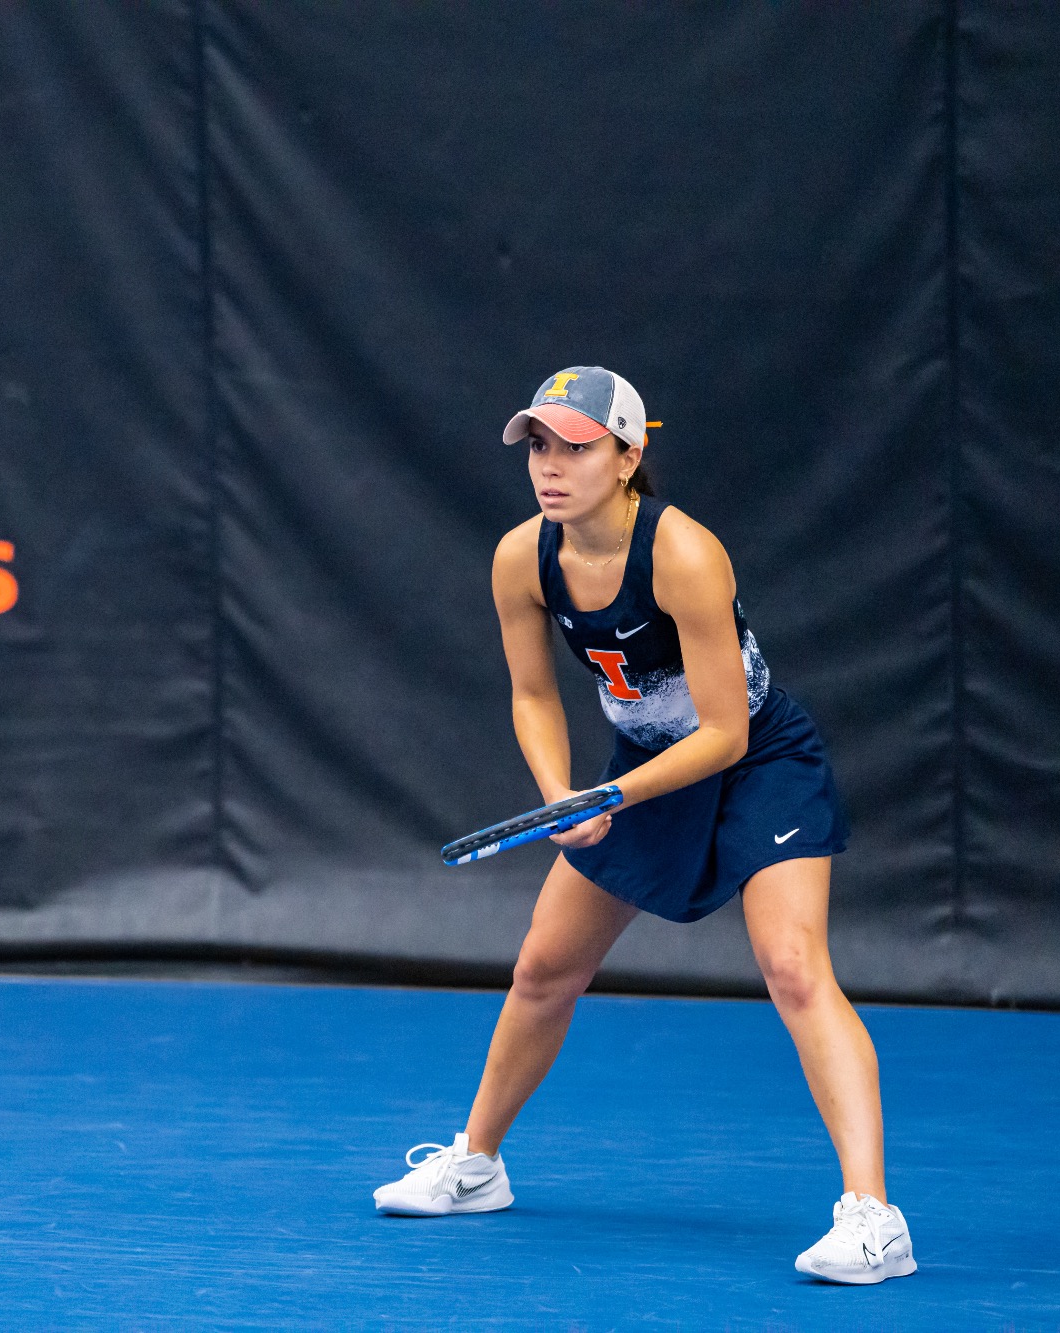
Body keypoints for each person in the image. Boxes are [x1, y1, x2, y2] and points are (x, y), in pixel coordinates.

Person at [371, 367, 915, 1285]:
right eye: (538, 445)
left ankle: (874, 1219)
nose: (551, 465)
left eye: (576, 446)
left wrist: (609, 800)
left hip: (757, 761)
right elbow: (534, 694)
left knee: (792, 966)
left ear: (628, 457)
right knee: (544, 965)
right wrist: (559, 791)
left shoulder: (685, 553)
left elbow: (724, 732)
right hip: (640, 772)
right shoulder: (521, 558)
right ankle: (476, 1166)